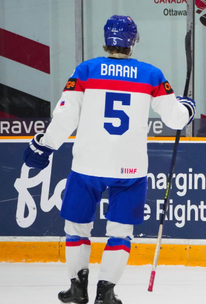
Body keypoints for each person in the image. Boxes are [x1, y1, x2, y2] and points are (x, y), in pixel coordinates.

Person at [22, 15, 195, 304]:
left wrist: (45, 145)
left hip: (88, 164)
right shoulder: (151, 74)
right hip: (130, 169)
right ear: (133, 42)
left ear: (106, 39)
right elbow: (176, 119)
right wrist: (187, 108)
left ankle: (78, 289)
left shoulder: (86, 70)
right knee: (120, 232)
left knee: (76, 229)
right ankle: (107, 291)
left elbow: (66, 117)